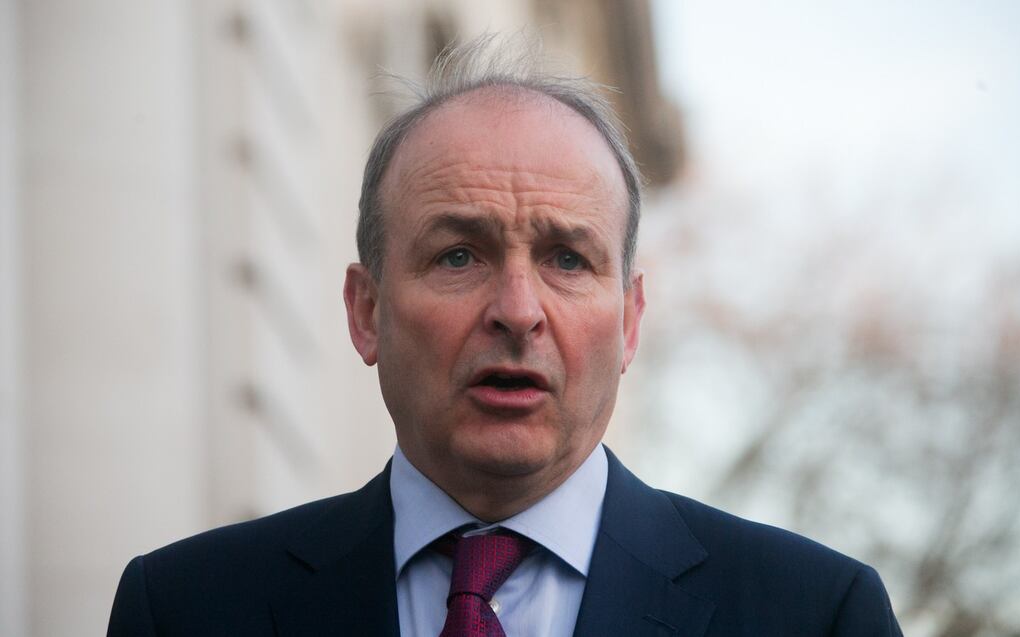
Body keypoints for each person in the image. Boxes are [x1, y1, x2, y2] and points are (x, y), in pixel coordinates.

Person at [108, 37, 902, 636]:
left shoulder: (815, 613)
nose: (518, 310)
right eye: (459, 254)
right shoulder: (183, 608)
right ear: (365, 310)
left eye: (566, 257)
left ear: (629, 322)